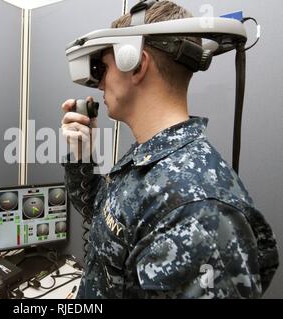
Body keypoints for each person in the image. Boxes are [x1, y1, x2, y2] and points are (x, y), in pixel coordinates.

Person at [61, 0, 279, 298]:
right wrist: (80, 155)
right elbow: (101, 212)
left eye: (102, 67)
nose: (98, 84)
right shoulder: (147, 161)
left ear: (137, 64)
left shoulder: (198, 210)